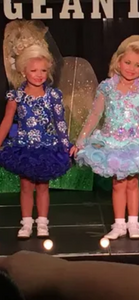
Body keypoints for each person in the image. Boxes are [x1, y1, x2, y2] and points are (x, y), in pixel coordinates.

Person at [70, 35, 139, 240]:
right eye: (127, 62)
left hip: (136, 143)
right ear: (118, 61)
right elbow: (94, 115)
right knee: (118, 183)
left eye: (137, 65)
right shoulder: (107, 87)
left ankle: (134, 223)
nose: (131, 68)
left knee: (133, 183)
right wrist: (81, 140)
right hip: (112, 143)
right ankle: (119, 224)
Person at [0, 44, 71, 239]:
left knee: (43, 186)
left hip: (47, 146)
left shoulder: (53, 96)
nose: (39, 75)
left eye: (43, 70)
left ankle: (42, 223)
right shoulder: (16, 96)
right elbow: (7, 121)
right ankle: (26, 223)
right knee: (25, 186)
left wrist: (65, 145)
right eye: (33, 70)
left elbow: (60, 122)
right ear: (23, 71)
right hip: (24, 147)